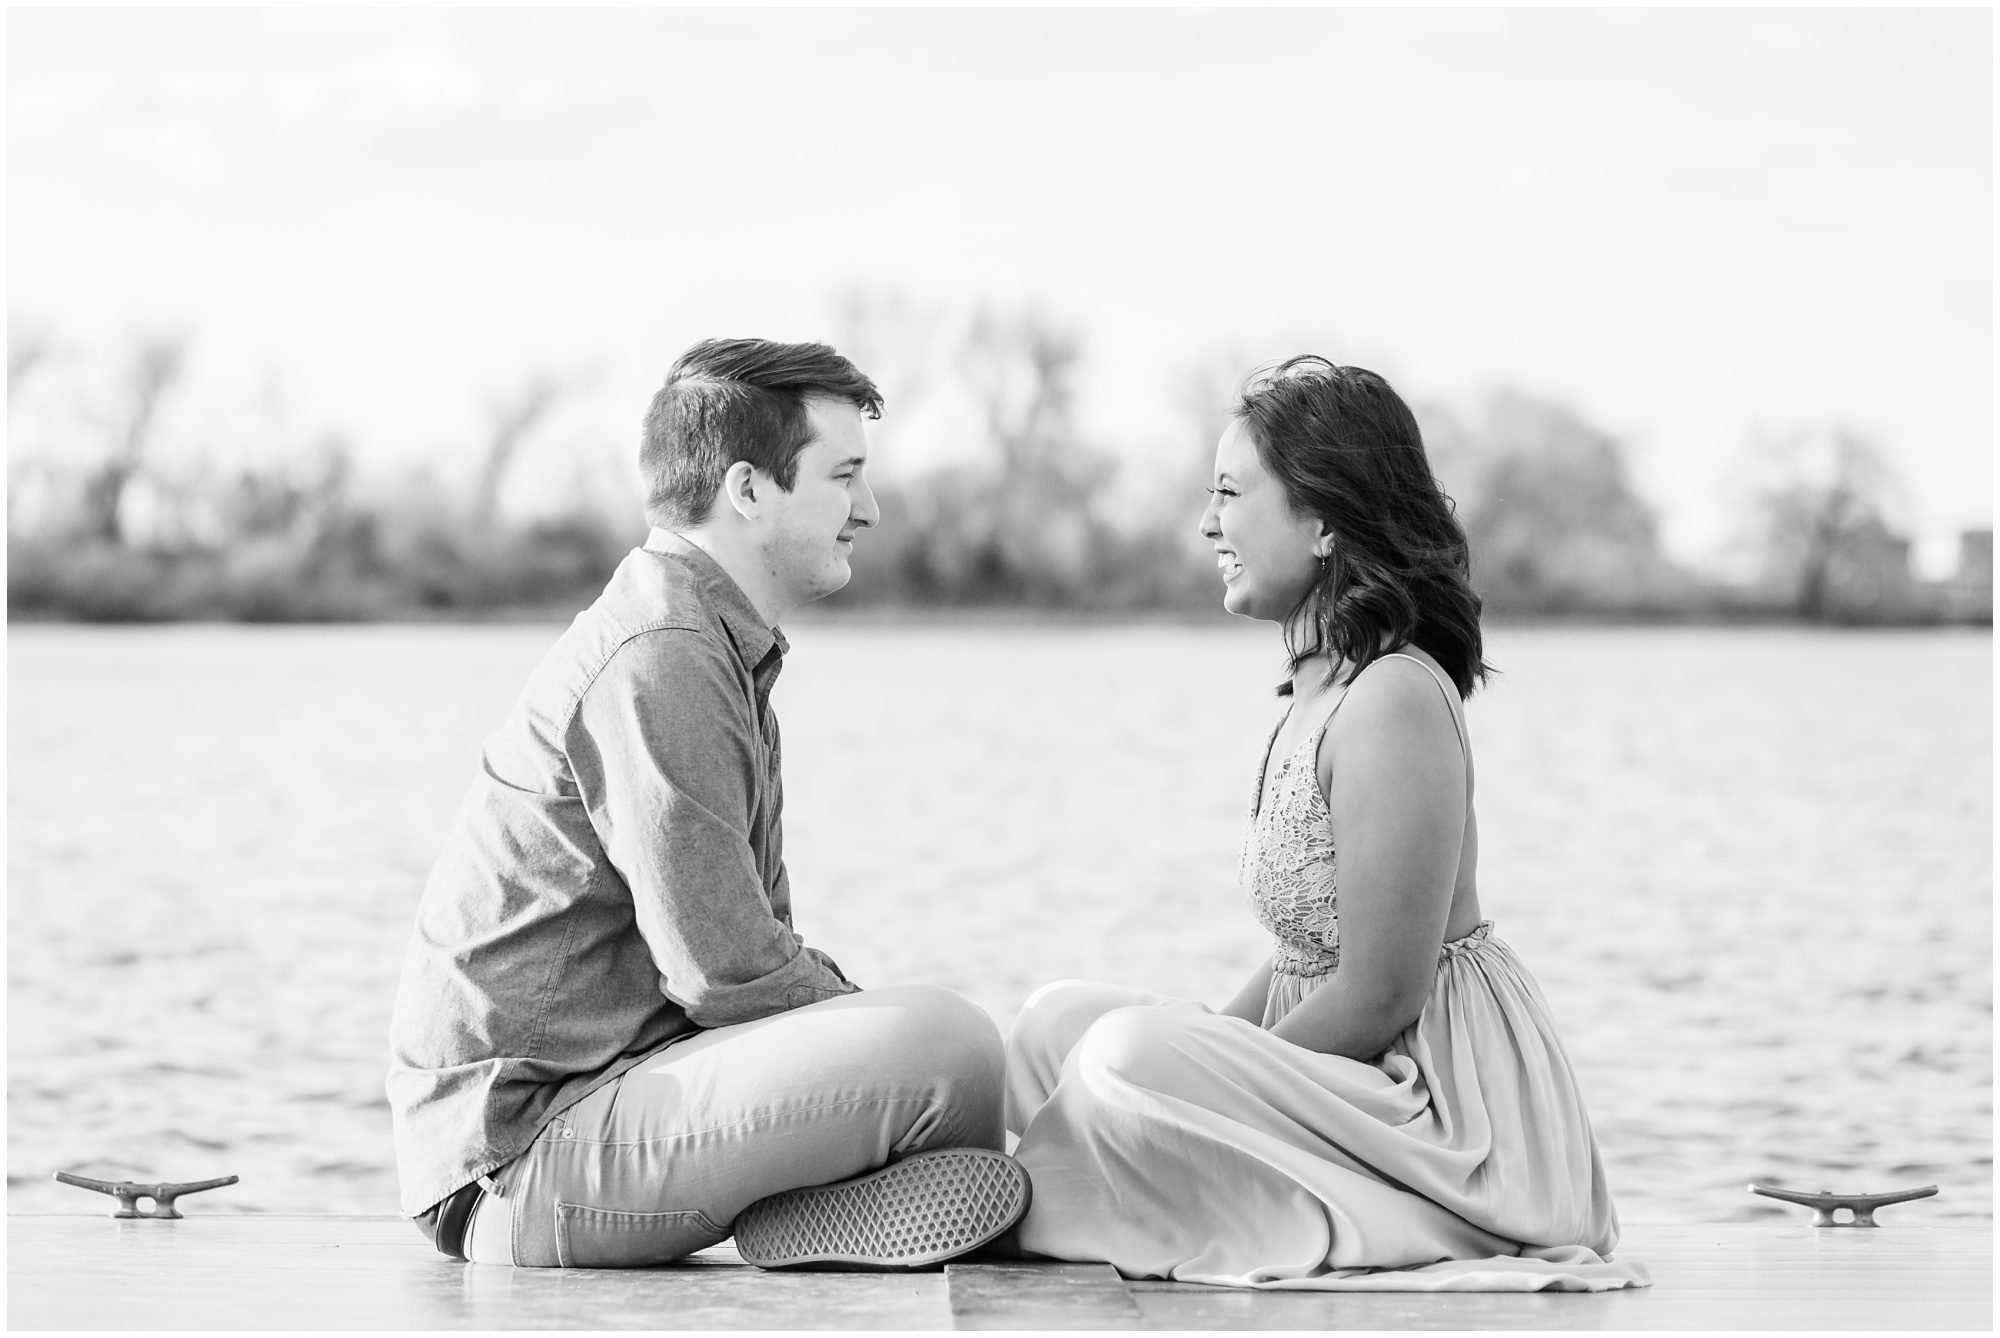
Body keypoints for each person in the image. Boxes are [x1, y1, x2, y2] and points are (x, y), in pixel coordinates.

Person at [1002, 357, 1649, 1291]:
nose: (1205, 524)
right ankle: (1056, 1187)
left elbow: (1382, 992)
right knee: (1053, 1027)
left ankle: (1023, 1200)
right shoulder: (1316, 691)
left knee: (1123, 1057)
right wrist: (1209, 1058)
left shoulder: (1394, 700)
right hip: (1343, 1071)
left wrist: (1203, 1073)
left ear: (1324, 520)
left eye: (1229, 493)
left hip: (1442, 1117)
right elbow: (1310, 943)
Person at [387, 338, 1028, 1270]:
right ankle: (828, 1211)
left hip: (611, 1106)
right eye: (844, 475)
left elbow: (753, 952)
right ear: (748, 490)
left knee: (947, 1061)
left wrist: (852, 1037)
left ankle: (818, 1220)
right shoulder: (662, 653)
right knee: (947, 1051)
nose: (871, 509)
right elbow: (726, 972)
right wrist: (867, 1029)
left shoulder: (712, 644)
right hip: (514, 1167)